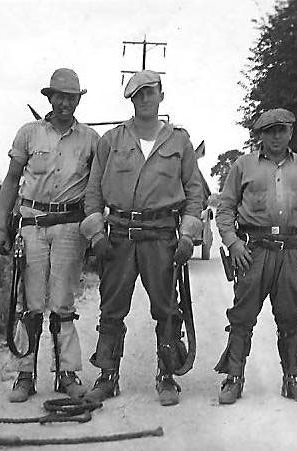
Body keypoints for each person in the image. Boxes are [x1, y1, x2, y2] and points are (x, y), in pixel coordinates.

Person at [79, 70, 202, 406]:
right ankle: (107, 376)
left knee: (165, 307)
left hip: (161, 235)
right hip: (118, 235)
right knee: (112, 306)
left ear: (161, 94)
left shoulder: (179, 142)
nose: (145, 99)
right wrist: (95, 233)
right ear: (131, 100)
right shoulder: (111, 141)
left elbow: (194, 193)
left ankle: (166, 377)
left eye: (150, 92)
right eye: (138, 95)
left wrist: (188, 235)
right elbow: (93, 193)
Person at [0, 68, 99, 403]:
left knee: (63, 302)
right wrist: (0, 227)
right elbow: (11, 180)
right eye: (59, 96)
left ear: (78, 100)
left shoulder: (91, 140)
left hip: (70, 227)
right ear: (49, 98)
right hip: (32, 225)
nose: (65, 103)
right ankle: (25, 375)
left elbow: (97, 188)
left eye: (71, 97)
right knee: (31, 303)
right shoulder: (29, 134)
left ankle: (67, 373)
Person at [215, 108, 297, 404]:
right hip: (253, 251)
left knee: (291, 316)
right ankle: (234, 379)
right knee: (242, 315)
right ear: (261, 135)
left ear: (290, 132)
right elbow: (225, 209)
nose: (276, 136)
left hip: (291, 251)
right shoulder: (243, 165)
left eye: (281, 130)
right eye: (269, 131)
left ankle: (292, 379)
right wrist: (233, 244)